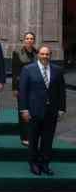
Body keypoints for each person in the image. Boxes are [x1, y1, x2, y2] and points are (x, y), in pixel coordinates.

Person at [19, 46, 67, 176]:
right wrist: (24, 109)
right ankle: (33, 164)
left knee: (48, 139)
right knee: (33, 139)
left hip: (51, 111)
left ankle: (45, 164)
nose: (45, 56)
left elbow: (61, 91)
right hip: (34, 111)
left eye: (47, 54)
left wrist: (62, 108)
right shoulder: (28, 69)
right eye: (42, 54)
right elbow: (23, 92)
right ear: (38, 55)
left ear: (50, 55)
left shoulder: (57, 70)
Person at [12, 32, 37, 146]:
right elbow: (15, 72)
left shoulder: (38, 53)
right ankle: (24, 136)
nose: (29, 40)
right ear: (23, 40)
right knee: (23, 111)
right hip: (22, 86)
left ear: (34, 40)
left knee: (34, 111)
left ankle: (33, 135)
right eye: (27, 38)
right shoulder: (17, 53)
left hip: (35, 87)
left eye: (31, 38)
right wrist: (15, 88)